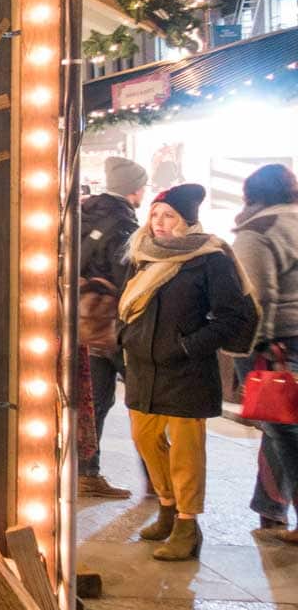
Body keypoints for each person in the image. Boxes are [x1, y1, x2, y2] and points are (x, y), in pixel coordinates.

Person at [120, 183, 259, 561]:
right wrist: (124, 336)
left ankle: (186, 522)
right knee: (145, 439)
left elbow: (235, 316)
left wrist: (187, 346)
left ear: (187, 220)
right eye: (155, 214)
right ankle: (166, 505)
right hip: (144, 367)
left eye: (169, 216)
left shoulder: (209, 258)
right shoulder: (142, 254)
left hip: (186, 369)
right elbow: (129, 302)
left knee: (186, 449)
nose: (159, 223)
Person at [231, 164, 298, 543]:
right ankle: (270, 508)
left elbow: (256, 297)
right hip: (291, 337)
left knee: (283, 428)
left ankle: (277, 509)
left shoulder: (258, 232)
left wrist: (260, 343)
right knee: (279, 424)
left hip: (274, 342)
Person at [78, 156, 148, 499]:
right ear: (135, 190)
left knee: (95, 403)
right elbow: (128, 281)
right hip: (118, 326)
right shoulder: (123, 224)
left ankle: (87, 473)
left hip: (86, 323)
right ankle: (159, 484)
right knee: (146, 403)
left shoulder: (83, 214)